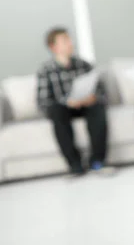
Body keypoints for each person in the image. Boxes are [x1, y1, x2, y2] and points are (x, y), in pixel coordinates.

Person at [36, 27, 109, 176]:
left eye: (69, 40)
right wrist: (66, 102)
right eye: (65, 41)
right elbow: (43, 102)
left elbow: (101, 92)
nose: (70, 43)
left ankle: (97, 161)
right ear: (53, 47)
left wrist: (93, 97)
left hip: (85, 105)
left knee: (97, 107)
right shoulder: (46, 70)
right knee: (56, 111)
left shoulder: (83, 65)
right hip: (64, 109)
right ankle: (75, 165)